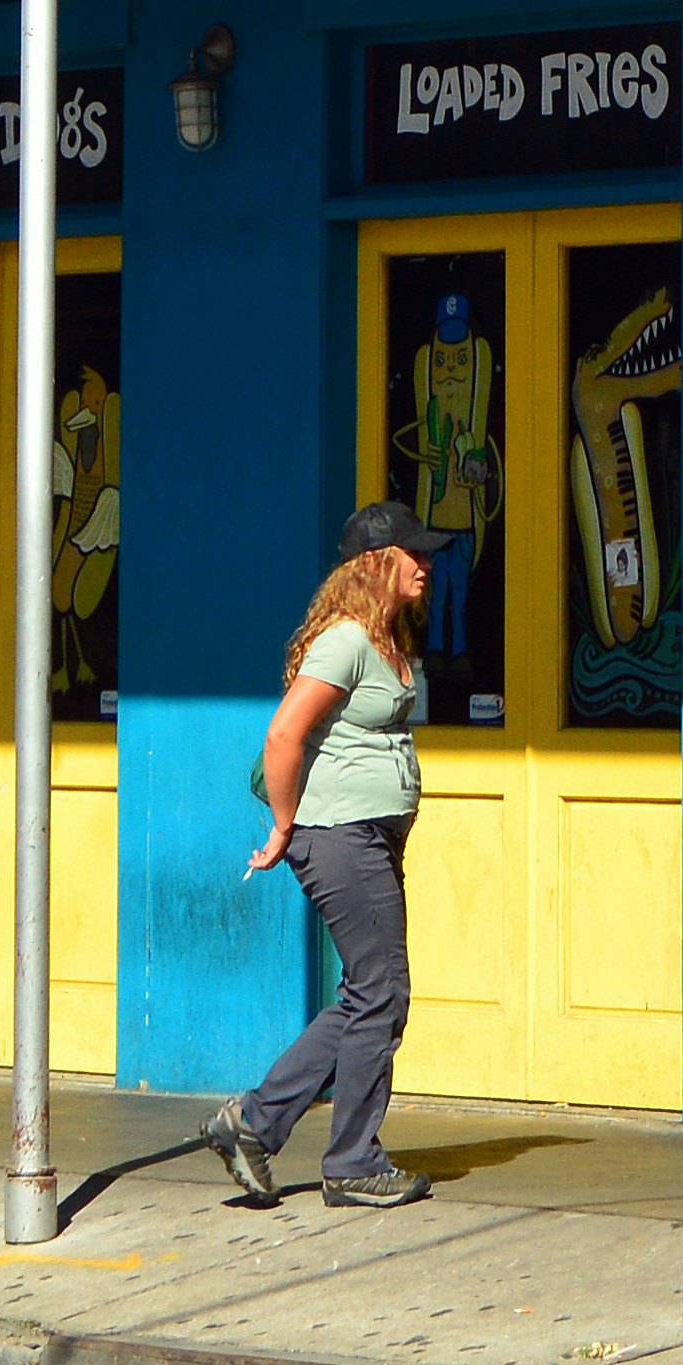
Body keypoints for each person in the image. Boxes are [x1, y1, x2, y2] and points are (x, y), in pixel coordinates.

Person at [197, 502, 438, 1210]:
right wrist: (282, 824)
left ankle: (253, 1123)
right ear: (373, 563)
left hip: (365, 834)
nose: (426, 565)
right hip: (338, 834)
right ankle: (352, 1159)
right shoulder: (345, 642)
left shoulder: (385, 636)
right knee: (382, 993)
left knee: (370, 993)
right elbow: (284, 737)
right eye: (412, 554)